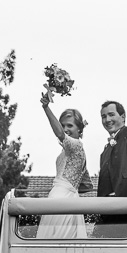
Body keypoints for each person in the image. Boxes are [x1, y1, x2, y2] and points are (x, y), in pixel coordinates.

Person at [37, 90, 89, 238]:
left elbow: (60, 134)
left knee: (60, 241)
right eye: (63, 125)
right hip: (57, 196)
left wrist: (46, 108)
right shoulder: (65, 151)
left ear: (79, 129)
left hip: (64, 198)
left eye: (70, 126)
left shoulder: (77, 146)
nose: (66, 129)